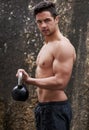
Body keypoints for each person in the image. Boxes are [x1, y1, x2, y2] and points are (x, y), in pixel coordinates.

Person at [16, 1, 76, 130]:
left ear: (56, 19)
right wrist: (23, 76)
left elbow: (61, 82)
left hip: (55, 109)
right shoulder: (47, 45)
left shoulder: (62, 46)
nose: (43, 25)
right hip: (44, 108)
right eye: (39, 22)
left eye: (47, 20)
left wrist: (29, 80)